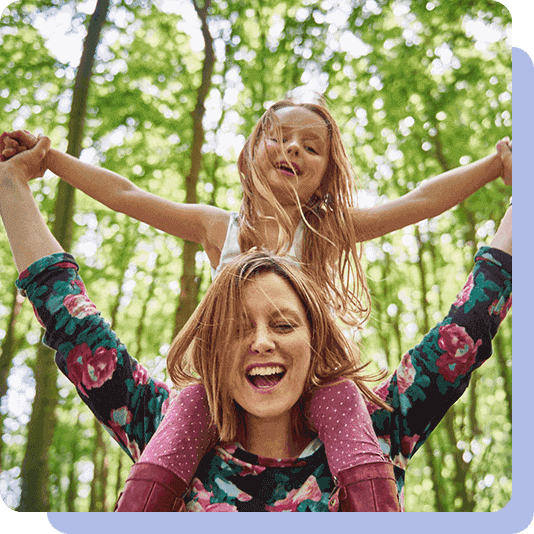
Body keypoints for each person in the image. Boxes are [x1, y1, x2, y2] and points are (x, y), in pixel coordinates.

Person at [0, 101, 512, 511]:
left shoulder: (328, 231)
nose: (292, 147)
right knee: (193, 405)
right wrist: (49, 160)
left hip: (318, 384)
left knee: (341, 401)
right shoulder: (218, 228)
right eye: (279, 135)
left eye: (311, 146)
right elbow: (127, 195)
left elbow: (420, 201)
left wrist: (497, 163)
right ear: (249, 154)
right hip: (223, 385)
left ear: (327, 174)